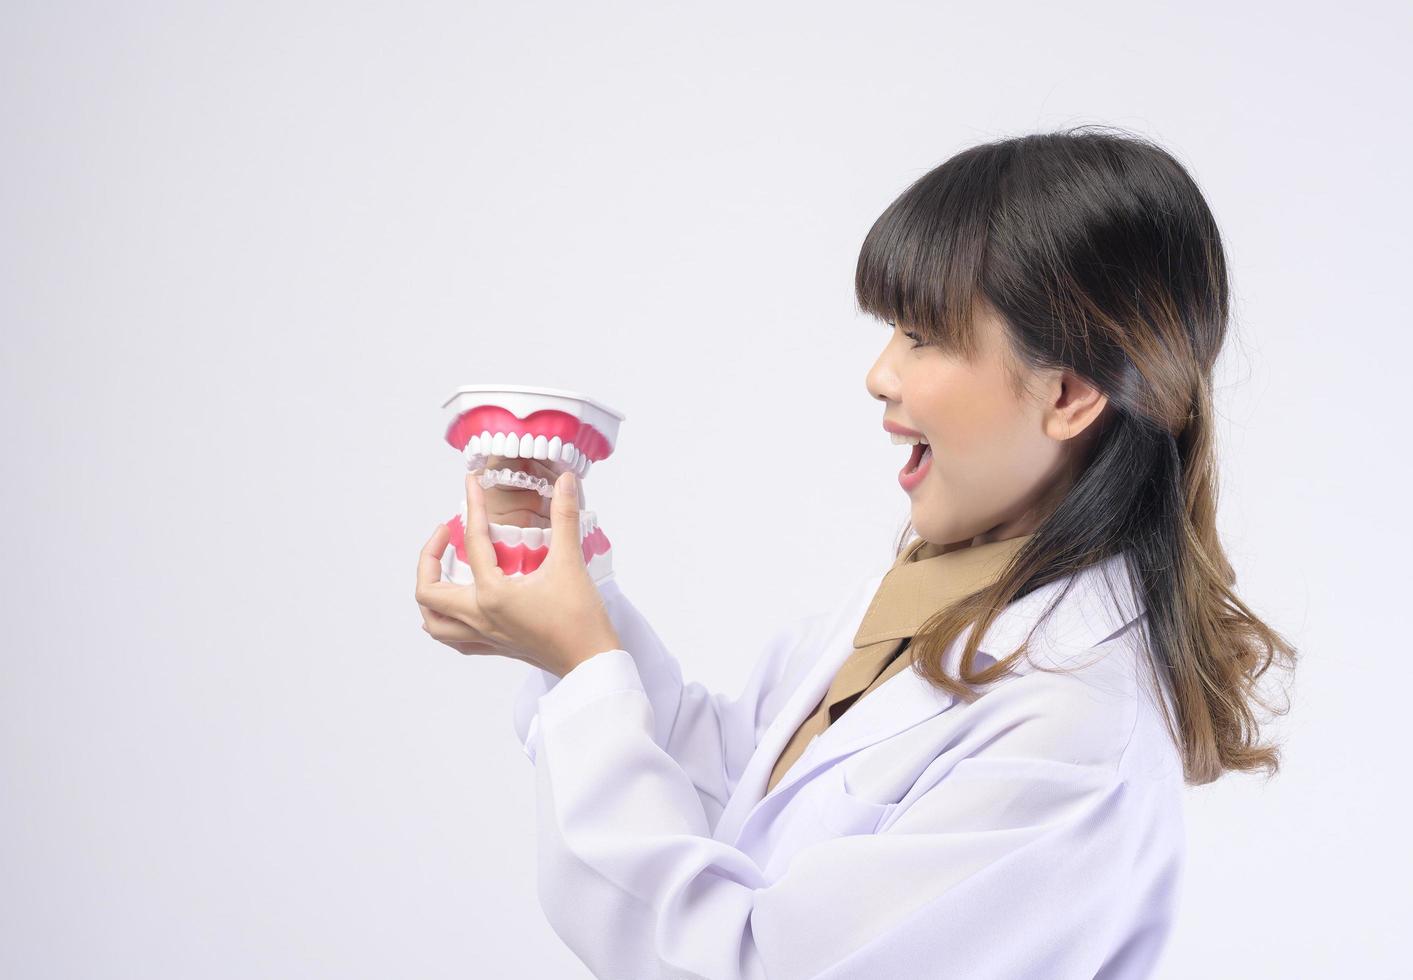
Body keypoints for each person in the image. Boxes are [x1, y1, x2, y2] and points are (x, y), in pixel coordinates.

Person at [414, 125, 1298, 979]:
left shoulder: (1071, 735)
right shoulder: (931, 597)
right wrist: (570, 616)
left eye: (923, 336)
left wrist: (583, 666)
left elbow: (747, 964)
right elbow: (734, 792)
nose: (879, 372)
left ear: (1067, 395)